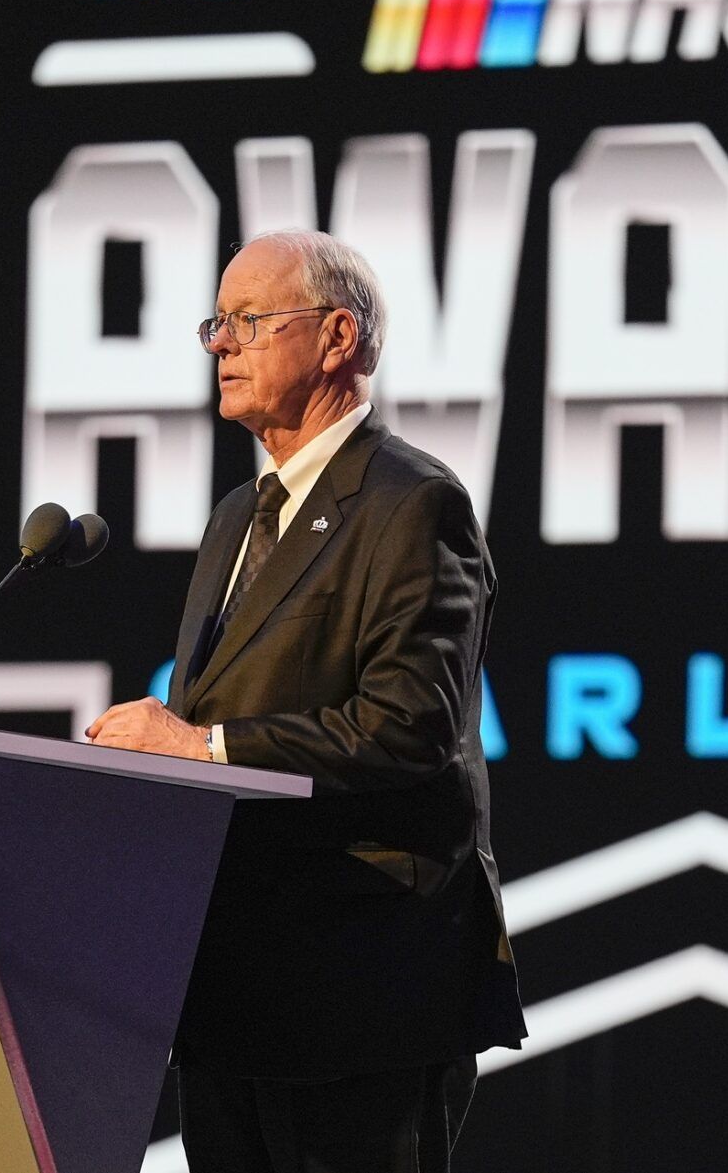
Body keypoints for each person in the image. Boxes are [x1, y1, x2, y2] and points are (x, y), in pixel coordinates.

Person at [86, 229, 525, 1172]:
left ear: (337, 337)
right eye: (216, 322)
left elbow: (408, 727)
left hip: (359, 993)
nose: (221, 343)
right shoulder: (235, 519)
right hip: (234, 989)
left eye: (248, 320)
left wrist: (201, 747)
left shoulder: (413, 504)